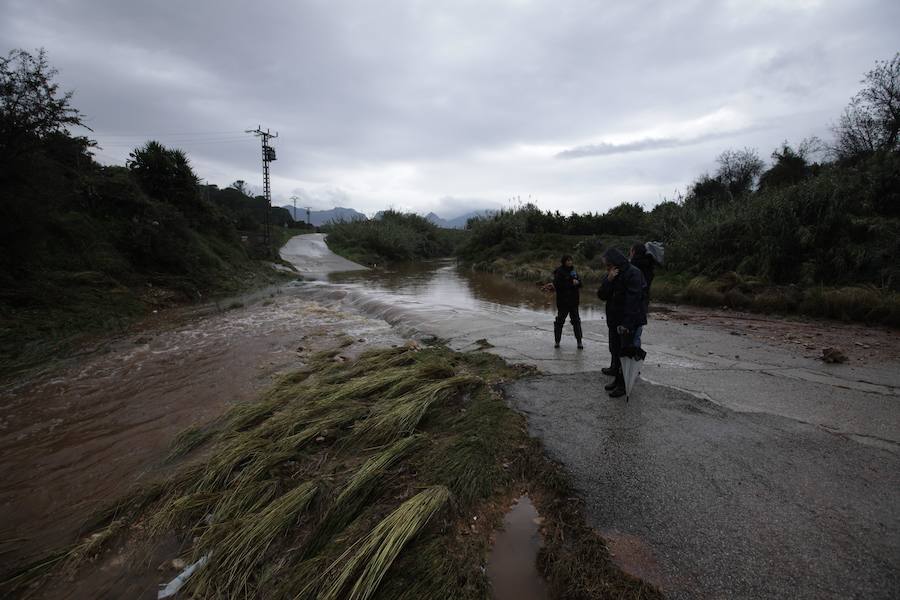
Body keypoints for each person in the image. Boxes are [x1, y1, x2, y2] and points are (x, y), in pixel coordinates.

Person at [597, 248, 646, 397]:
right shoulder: (613, 274)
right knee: (616, 351)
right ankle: (618, 380)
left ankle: (624, 385)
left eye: (607, 264)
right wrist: (608, 280)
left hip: (628, 322)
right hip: (614, 320)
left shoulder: (633, 273)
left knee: (626, 354)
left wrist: (626, 324)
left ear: (614, 261)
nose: (606, 268)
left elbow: (634, 301)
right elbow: (602, 295)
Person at [544, 255, 584, 349]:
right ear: (564, 262)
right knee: (559, 322)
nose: (570, 262)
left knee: (576, 322)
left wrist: (577, 283)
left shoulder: (574, 271)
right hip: (563, 302)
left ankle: (579, 342)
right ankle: (557, 342)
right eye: (568, 261)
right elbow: (558, 285)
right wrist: (571, 282)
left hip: (574, 301)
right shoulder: (559, 272)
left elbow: (581, 284)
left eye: (571, 260)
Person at [628, 243, 656, 349]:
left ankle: (628, 361)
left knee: (629, 334)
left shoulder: (633, 266)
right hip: (644, 300)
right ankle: (636, 360)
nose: (629, 253)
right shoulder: (650, 265)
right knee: (637, 333)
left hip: (633, 301)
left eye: (631, 251)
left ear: (634, 252)